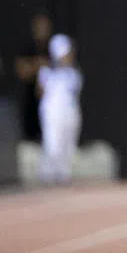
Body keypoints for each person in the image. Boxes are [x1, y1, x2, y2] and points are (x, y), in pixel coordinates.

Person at [37, 34, 83, 184]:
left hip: (69, 112)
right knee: (53, 144)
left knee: (68, 144)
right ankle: (48, 175)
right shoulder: (46, 72)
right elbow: (40, 92)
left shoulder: (74, 73)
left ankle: (64, 175)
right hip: (52, 112)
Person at [15, 12, 53, 142]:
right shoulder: (28, 48)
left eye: (44, 26)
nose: (42, 30)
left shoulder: (54, 48)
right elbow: (22, 71)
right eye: (39, 26)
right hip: (32, 106)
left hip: (53, 107)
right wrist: (38, 65)